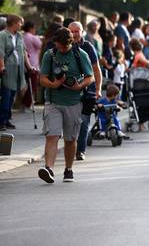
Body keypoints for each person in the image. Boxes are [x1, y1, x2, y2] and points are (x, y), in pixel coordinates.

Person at [38, 27, 94, 183]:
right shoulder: (50, 55)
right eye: (58, 46)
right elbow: (42, 78)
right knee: (52, 136)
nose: (60, 49)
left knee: (70, 139)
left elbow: (90, 77)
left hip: (74, 102)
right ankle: (48, 168)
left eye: (63, 47)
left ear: (70, 43)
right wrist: (54, 84)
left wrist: (79, 86)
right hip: (53, 101)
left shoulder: (80, 55)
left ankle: (68, 169)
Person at [68, 22, 103, 161]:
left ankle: (80, 150)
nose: (75, 34)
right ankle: (70, 146)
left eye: (77, 31)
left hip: (88, 91)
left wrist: (98, 89)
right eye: (72, 31)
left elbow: (96, 69)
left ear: (82, 32)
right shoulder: (63, 47)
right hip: (69, 91)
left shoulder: (88, 47)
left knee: (84, 122)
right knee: (70, 122)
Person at [0, 15, 31, 130]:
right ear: (13, 23)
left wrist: (29, 66)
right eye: (20, 22)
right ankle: (2, 121)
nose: (21, 25)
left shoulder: (19, 36)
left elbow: (24, 52)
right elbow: (1, 53)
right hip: (7, 69)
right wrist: (2, 66)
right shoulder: (2, 35)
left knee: (12, 96)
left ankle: (7, 119)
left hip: (18, 69)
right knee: (6, 96)